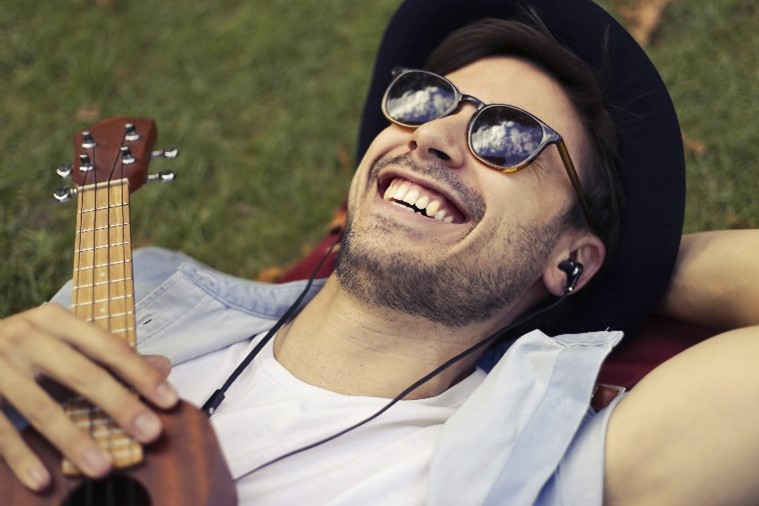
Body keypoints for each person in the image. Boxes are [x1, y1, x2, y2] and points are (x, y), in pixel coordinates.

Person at [1, 2, 758, 505]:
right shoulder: (131, 309)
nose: (431, 137)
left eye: (506, 137)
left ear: (571, 259)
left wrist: (639, 273)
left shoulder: (551, 466)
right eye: (424, 101)